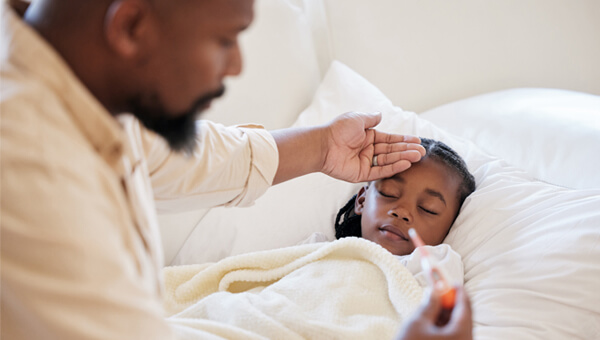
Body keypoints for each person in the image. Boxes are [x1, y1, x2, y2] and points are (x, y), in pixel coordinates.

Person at [0, 1, 471, 339]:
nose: (237, 64)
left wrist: (324, 146)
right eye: (224, 39)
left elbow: (188, 156)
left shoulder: (76, 90)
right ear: (130, 26)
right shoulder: (31, 172)